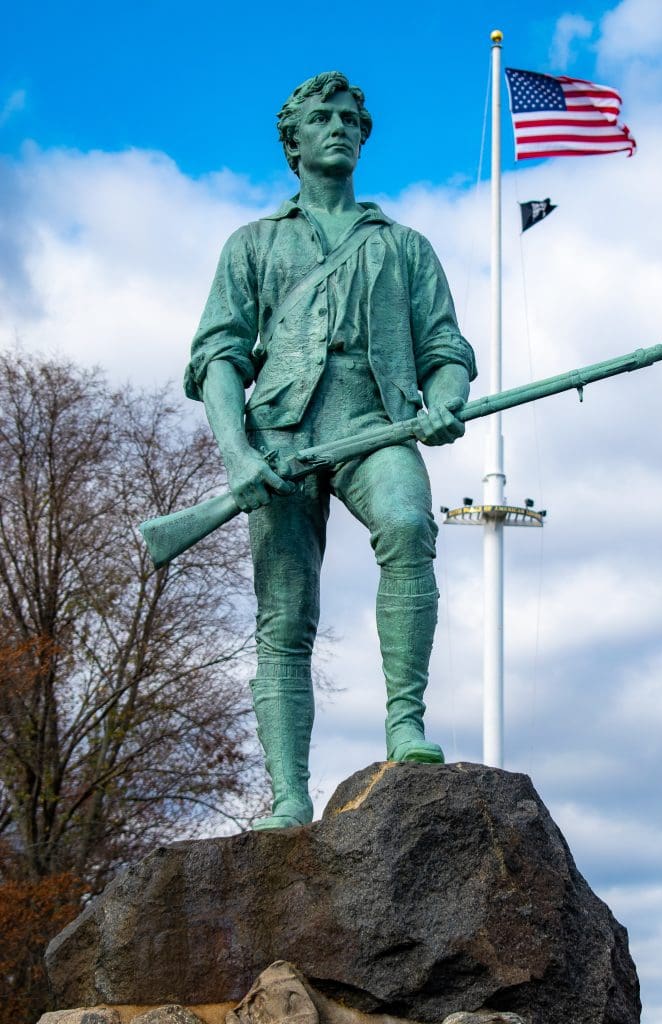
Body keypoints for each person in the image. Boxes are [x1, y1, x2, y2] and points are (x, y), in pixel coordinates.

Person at [184, 71, 477, 829]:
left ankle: (405, 725)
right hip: (279, 436)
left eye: (350, 117)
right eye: (322, 117)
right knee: (285, 619)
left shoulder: (404, 247)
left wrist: (444, 398)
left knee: (410, 527)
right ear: (293, 141)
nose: (339, 126)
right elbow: (219, 358)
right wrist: (237, 455)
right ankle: (288, 795)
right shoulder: (253, 243)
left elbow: (445, 347)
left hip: (373, 420)